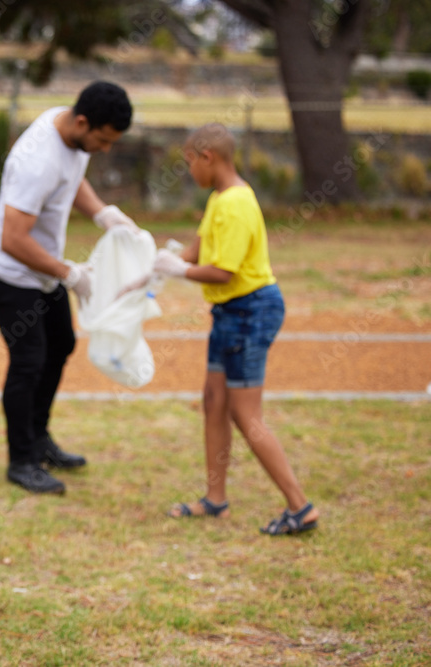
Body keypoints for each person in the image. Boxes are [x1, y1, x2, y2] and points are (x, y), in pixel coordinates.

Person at [152, 122, 319, 536]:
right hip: (228, 314)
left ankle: (301, 507)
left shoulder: (237, 204)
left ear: (208, 158)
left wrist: (181, 270)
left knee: (245, 414)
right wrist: (158, 262)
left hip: (250, 310)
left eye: (190, 162)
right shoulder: (218, 200)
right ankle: (215, 500)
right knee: (214, 401)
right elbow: (197, 249)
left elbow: (223, 272)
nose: (189, 171)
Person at [0, 80, 138, 495]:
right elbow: (13, 239)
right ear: (83, 121)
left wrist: (103, 214)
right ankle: (22, 460)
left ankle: (39, 438)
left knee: (61, 344)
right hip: (9, 272)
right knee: (29, 361)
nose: (104, 149)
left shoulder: (65, 126)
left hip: (42, 270)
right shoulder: (38, 159)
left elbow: (72, 178)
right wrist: (70, 274)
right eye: (102, 140)